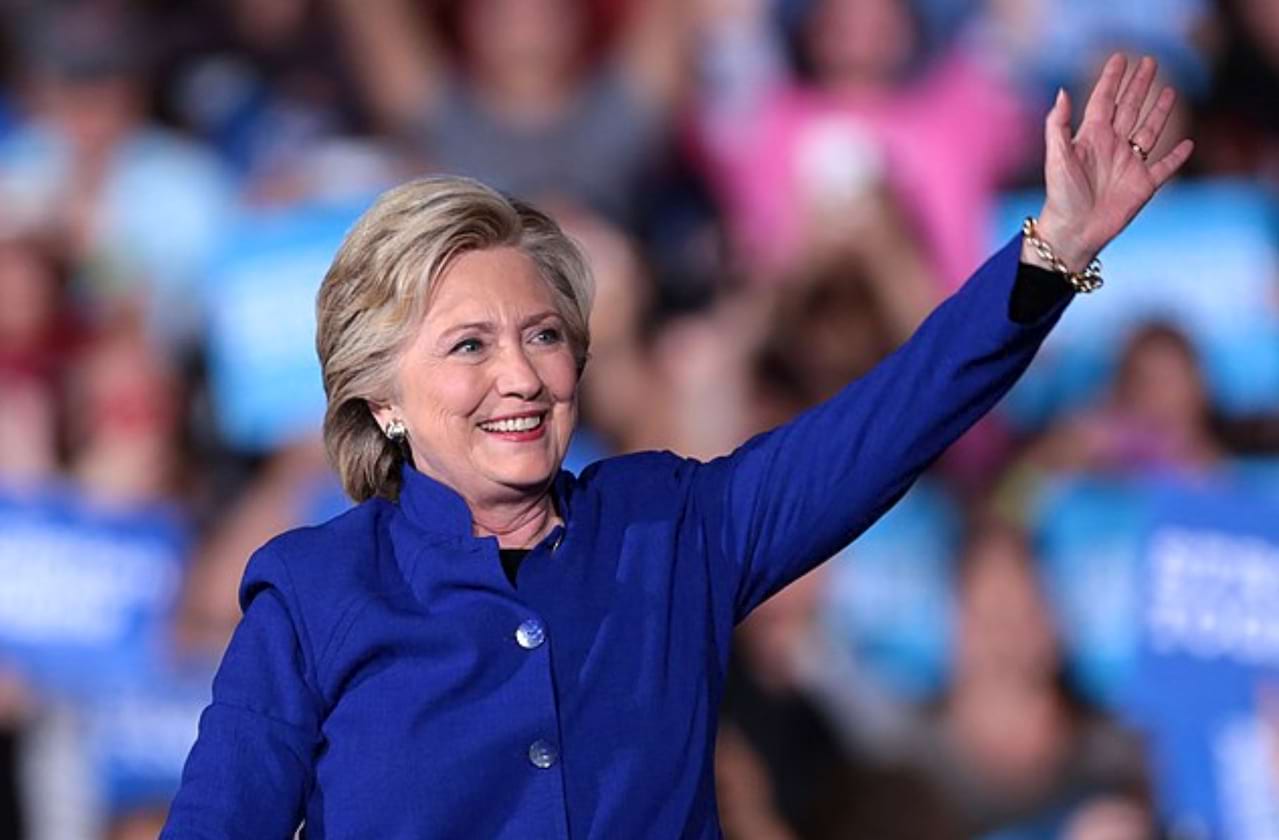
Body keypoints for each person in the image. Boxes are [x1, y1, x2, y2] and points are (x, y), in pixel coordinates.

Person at [161, 53, 1193, 837]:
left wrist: (1055, 257)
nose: (519, 376)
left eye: (544, 335)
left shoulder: (667, 526)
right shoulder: (311, 593)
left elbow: (894, 416)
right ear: (381, 396)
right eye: (469, 345)